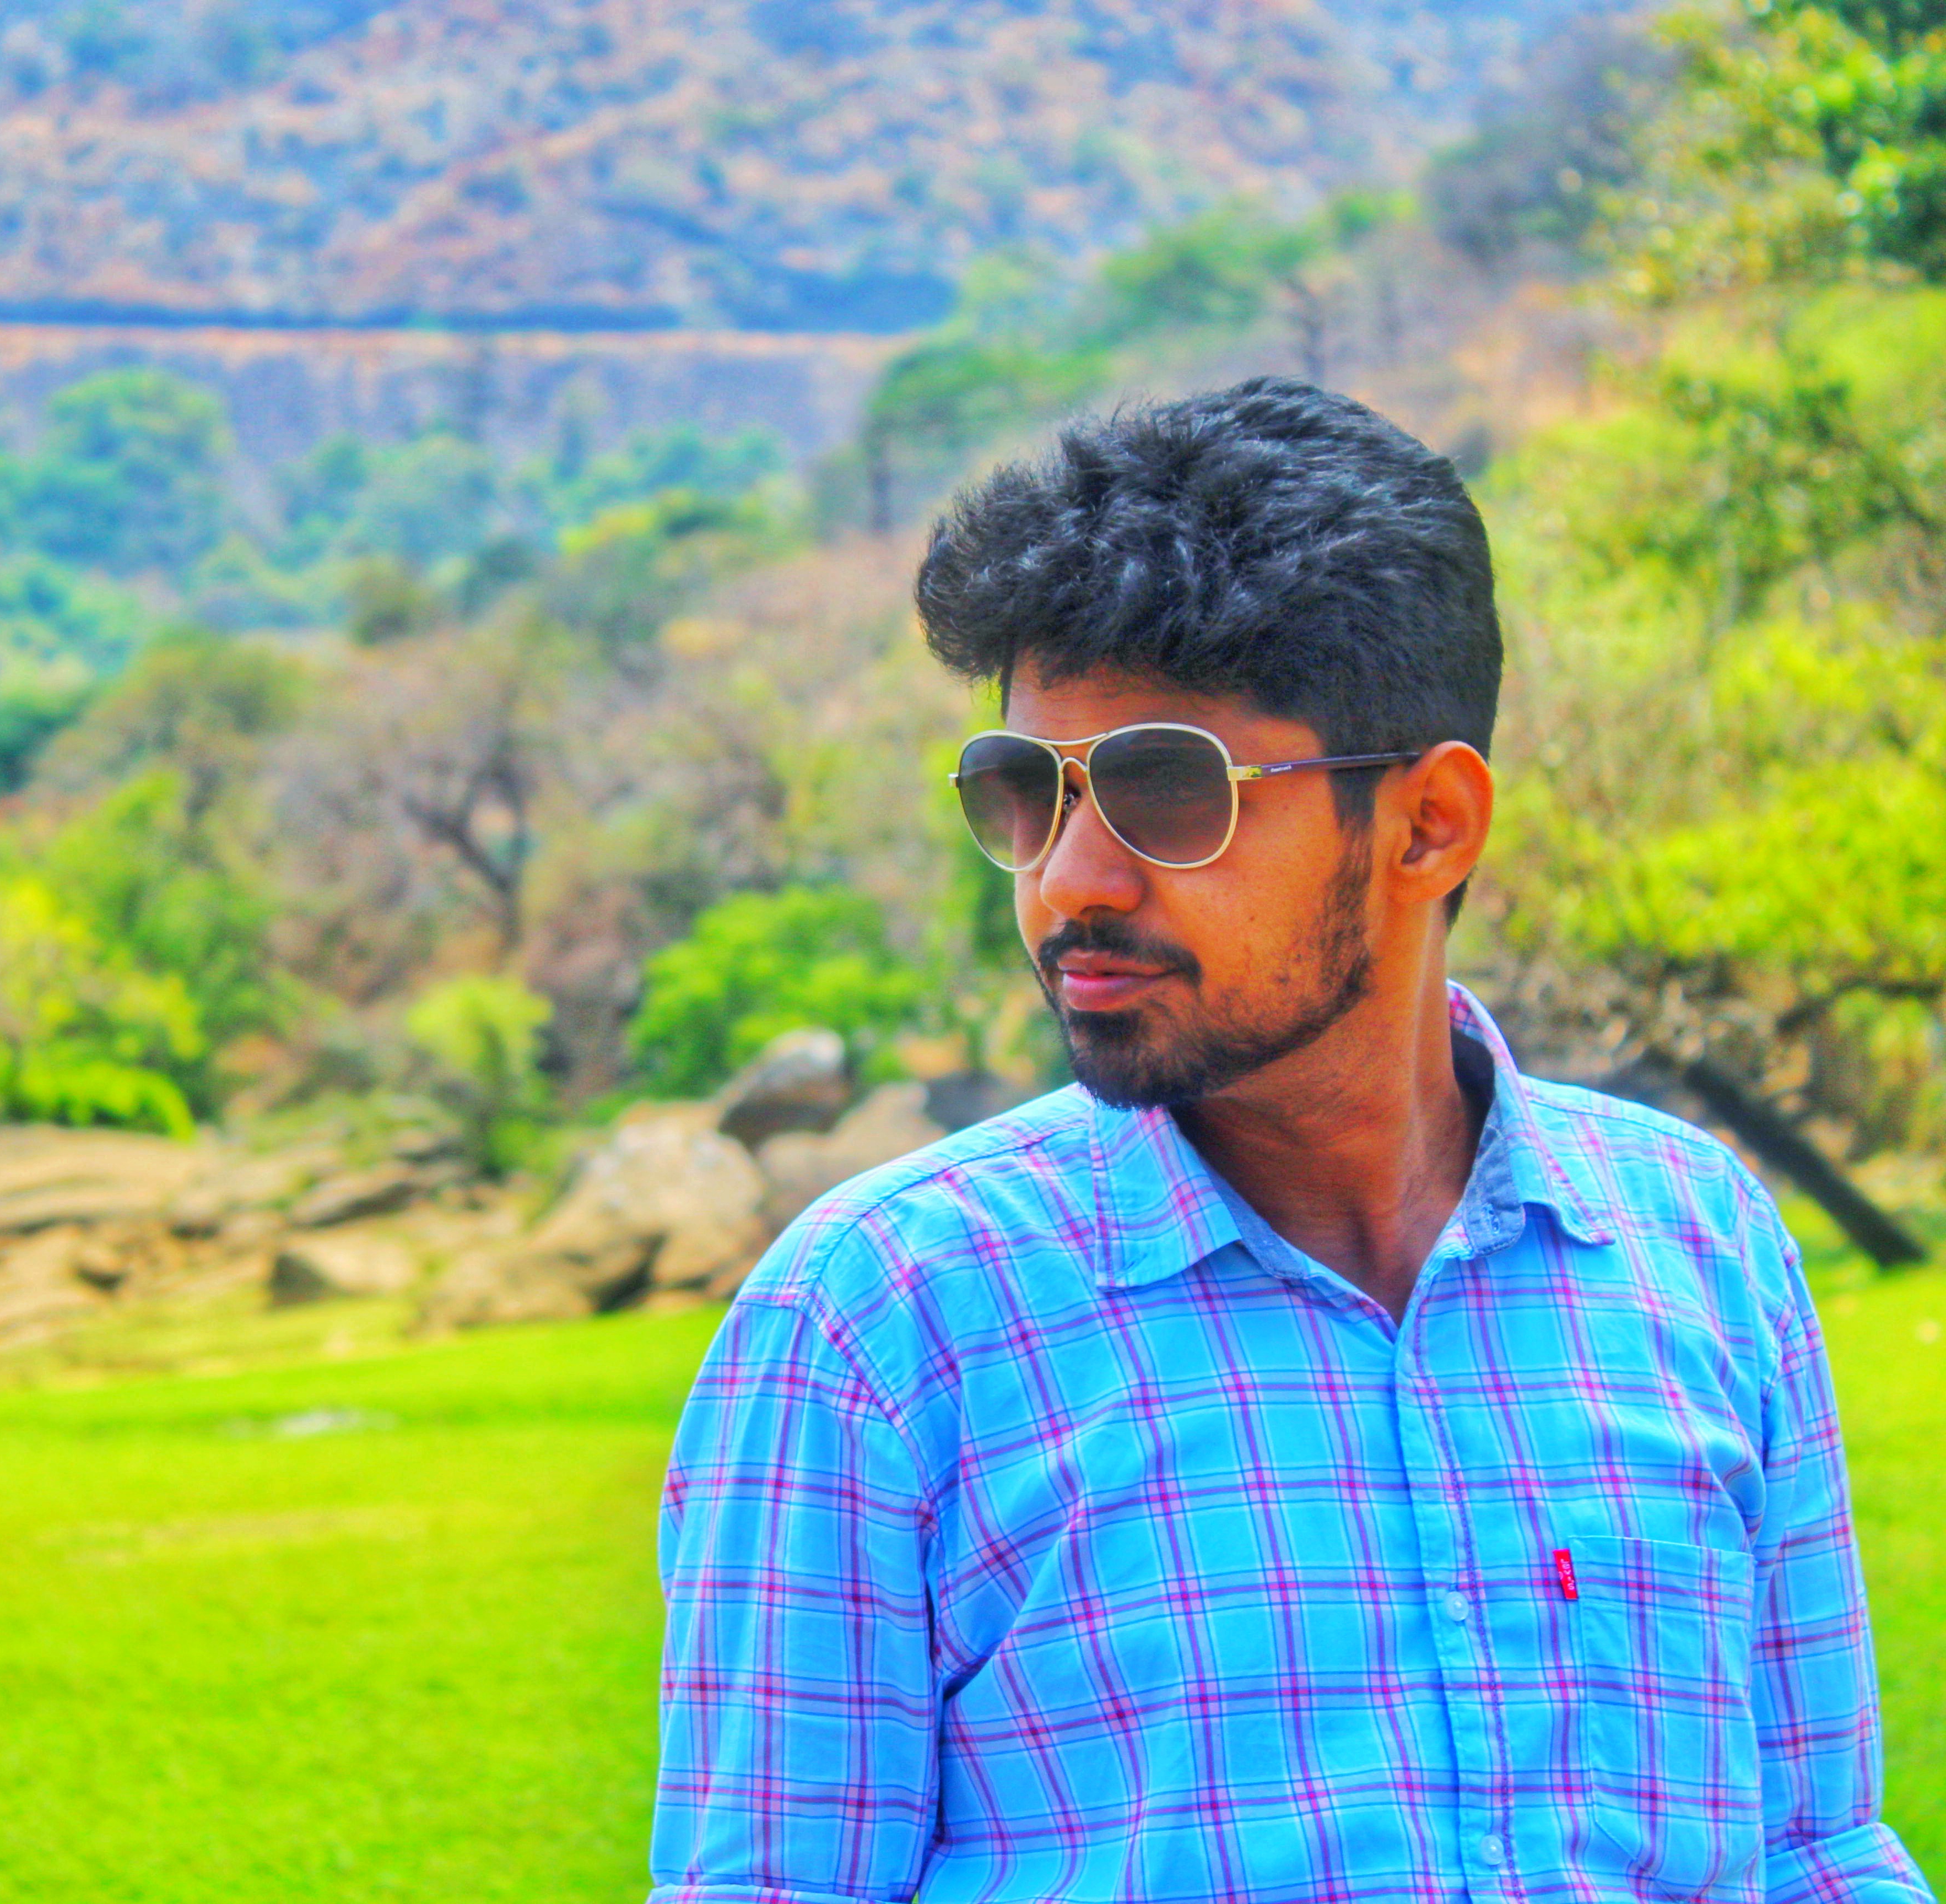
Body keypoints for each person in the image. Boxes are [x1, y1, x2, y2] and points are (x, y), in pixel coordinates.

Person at [648, 379, 1933, 1903]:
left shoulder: (1698, 1242)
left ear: (1430, 825)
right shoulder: (880, 1319)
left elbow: (1813, 1846)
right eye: (1027, 793)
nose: (1070, 881)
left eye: (1166, 790)